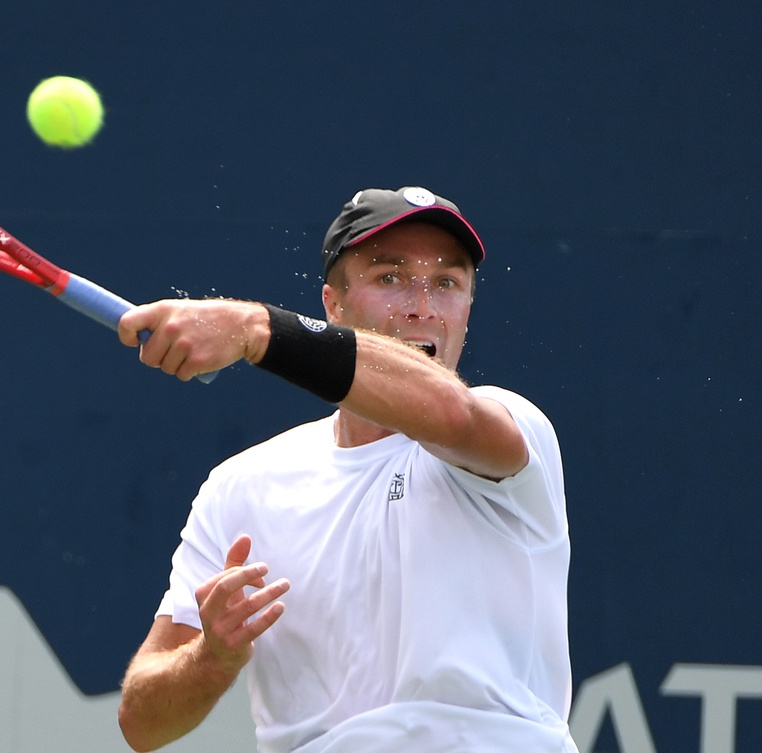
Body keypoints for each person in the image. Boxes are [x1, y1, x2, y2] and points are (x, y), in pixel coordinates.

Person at [115, 186, 577, 753]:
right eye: (390, 278)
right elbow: (142, 722)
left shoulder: (514, 432)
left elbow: (449, 411)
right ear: (334, 306)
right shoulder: (241, 487)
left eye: (447, 283)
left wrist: (259, 330)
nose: (422, 305)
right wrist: (210, 659)